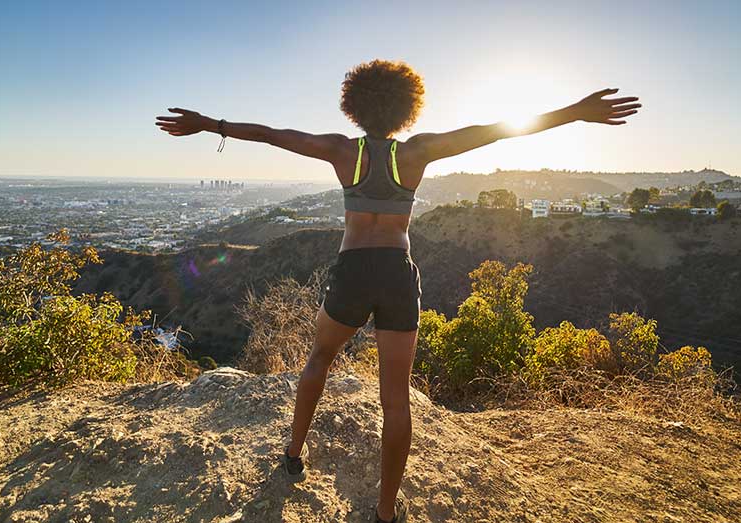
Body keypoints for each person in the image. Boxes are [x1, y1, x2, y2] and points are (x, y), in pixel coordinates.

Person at [156, 59, 640, 523]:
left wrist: (208, 124)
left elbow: (269, 135)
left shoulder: (341, 150)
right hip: (396, 273)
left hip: (352, 269)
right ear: (407, 105)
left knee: (319, 360)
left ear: (356, 105)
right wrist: (575, 112)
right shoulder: (417, 152)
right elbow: (496, 130)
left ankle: (292, 454)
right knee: (395, 397)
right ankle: (385, 512)